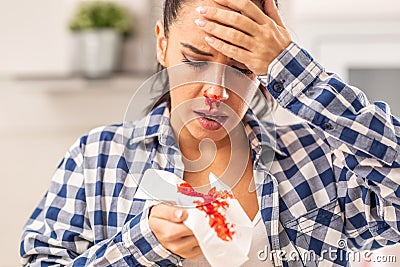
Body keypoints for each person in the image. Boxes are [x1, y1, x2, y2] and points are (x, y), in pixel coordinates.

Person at [20, 0, 400, 266]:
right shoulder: (95, 160)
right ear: (162, 43)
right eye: (196, 60)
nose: (217, 90)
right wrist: (144, 246)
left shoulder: (319, 159)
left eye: (243, 67)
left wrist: (294, 70)